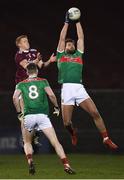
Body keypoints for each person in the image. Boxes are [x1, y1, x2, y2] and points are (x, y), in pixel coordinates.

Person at [56, 12, 118, 150]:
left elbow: (81, 37)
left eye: (72, 44)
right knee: (66, 123)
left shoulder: (79, 54)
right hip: (66, 89)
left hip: (79, 88)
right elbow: (61, 38)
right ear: (64, 48)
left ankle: (106, 138)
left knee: (95, 113)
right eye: (68, 44)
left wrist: (77, 21)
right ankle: (73, 133)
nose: (70, 45)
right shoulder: (61, 55)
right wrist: (66, 22)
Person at [13, 63, 75, 175]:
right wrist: (56, 107)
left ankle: (30, 160)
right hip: (42, 116)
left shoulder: (20, 84)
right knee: (55, 142)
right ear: (36, 71)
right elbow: (51, 95)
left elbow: (14, 98)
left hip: (28, 116)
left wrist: (19, 113)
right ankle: (66, 164)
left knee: (27, 142)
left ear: (27, 72)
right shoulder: (43, 81)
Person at [15, 35, 56, 148]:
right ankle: (27, 139)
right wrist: (36, 60)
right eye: (24, 41)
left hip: (35, 85)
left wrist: (49, 61)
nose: (27, 42)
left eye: (27, 40)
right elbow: (27, 66)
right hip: (23, 87)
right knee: (25, 114)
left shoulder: (34, 51)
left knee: (37, 111)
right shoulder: (19, 55)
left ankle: (35, 133)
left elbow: (41, 66)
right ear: (19, 44)